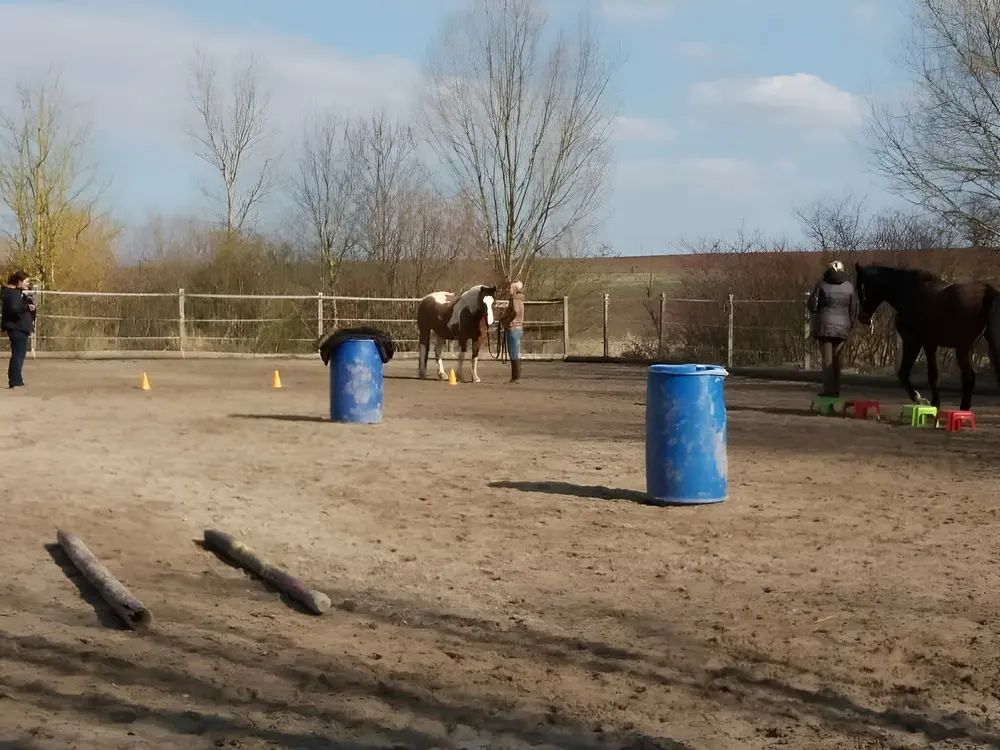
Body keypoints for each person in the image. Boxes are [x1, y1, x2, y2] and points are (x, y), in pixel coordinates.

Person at [807, 260, 858, 398]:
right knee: (837, 360)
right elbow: (854, 308)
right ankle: (836, 390)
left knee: (827, 360)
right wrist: (849, 324)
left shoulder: (821, 284)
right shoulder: (849, 286)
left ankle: (828, 391)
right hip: (843, 328)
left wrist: (817, 311)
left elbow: (812, 304)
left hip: (824, 326)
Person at [2, 270, 36, 389]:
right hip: (17, 327)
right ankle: (15, 380)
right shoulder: (13, 293)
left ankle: (15, 379)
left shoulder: (15, 292)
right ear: (19, 282)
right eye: (26, 281)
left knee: (18, 354)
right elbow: (14, 307)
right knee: (18, 354)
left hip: (18, 327)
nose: (27, 284)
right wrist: (27, 307)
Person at [500, 280, 525, 383]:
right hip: (518, 327)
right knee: (515, 352)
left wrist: (508, 321)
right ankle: (515, 376)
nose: (509, 290)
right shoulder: (519, 299)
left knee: (513, 352)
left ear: (515, 289)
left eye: (511, 288)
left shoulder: (515, 299)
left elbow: (515, 311)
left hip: (513, 328)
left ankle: (515, 377)